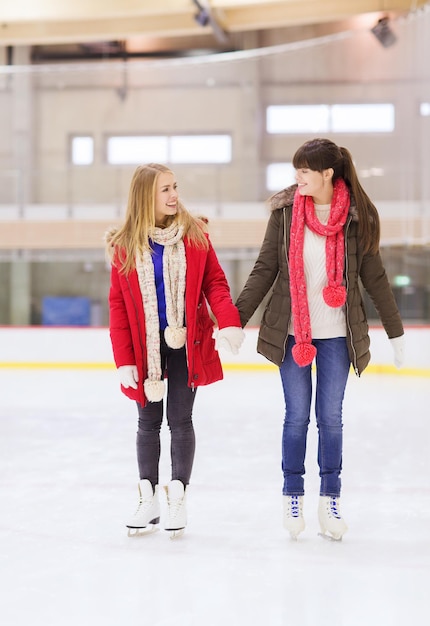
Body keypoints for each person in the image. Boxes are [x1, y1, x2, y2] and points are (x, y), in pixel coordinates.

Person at [236, 138, 404, 541]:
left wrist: (395, 331)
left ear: (328, 173)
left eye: (305, 170)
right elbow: (265, 269)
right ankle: (292, 493)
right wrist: (234, 321)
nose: (298, 177)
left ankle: (330, 500)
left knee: (330, 419)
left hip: (336, 337)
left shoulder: (356, 218)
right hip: (294, 334)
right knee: (296, 416)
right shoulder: (285, 214)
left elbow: (374, 278)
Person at [106, 163, 244, 538]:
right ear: (145, 196)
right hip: (143, 348)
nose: (173, 195)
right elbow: (118, 305)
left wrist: (228, 319)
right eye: (165, 189)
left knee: (180, 421)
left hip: (188, 342)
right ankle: (147, 495)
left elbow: (215, 281)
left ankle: (178, 494)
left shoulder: (194, 234)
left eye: (175, 187)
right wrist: (123, 360)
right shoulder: (125, 246)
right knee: (147, 423)